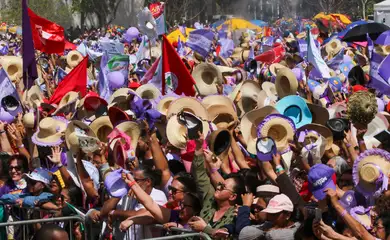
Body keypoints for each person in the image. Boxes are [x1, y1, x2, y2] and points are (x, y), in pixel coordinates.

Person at [100, 166, 167, 240]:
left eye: (136, 180)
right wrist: (121, 190)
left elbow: (145, 214)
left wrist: (115, 213)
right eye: (131, 179)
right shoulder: (128, 194)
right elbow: (104, 212)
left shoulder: (158, 194)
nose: (131, 182)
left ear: (148, 182)